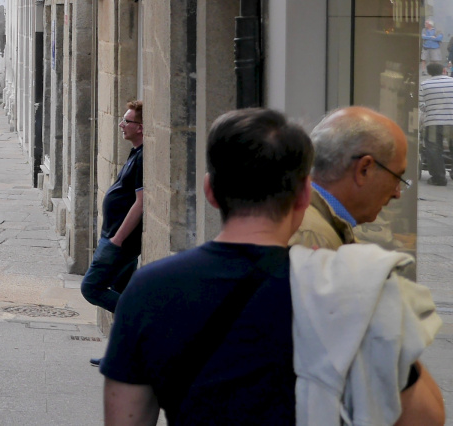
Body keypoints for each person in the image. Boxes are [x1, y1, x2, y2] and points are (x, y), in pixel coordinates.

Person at [100, 107, 445, 426]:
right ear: (304, 195)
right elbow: (425, 417)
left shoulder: (148, 291)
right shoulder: (351, 286)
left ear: (210, 192)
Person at [292, 106, 409, 250]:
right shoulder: (314, 238)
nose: (397, 193)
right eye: (396, 177)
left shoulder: (313, 223)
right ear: (364, 169)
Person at [82, 100, 144, 340]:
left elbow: (140, 203)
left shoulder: (142, 157)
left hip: (119, 242)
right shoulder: (135, 153)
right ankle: (120, 354)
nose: (121, 124)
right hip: (116, 238)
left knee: (91, 288)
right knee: (120, 291)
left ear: (140, 127)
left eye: (127, 121)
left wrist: (116, 240)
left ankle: (138, 315)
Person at [422, 63, 453, 185]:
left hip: (433, 122)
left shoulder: (424, 85)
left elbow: (419, 102)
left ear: (429, 73)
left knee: (434, 149)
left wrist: (431, 108)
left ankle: (439, 178)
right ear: (444, 70)